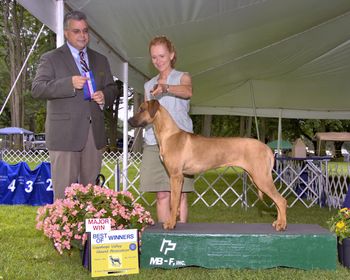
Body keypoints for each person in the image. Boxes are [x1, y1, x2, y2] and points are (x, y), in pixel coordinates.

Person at [32, 10, 116, 199]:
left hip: (93, 135)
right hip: (64, 135)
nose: (82, 36)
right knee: (63, 195)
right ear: (66, 33)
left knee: (90, 195)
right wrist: (68, 83)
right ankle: (62, 230)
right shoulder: (51, 58)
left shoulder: (101, 60)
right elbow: (37, 88)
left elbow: (112, 88)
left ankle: (87, 229)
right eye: (76, 31)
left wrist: (105, 95)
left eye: (85, 31)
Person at [140, 35, 194, 223]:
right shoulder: (148, 85)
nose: (158, 61)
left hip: (181, 144)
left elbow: (187, 92)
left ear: (171, 55)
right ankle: (166, 238)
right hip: (155, 143)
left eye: (162, 56)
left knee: (180, 196)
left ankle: (183, 238)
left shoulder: (182, 77)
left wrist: (166, 88)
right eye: (154, 57)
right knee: (162, 195)